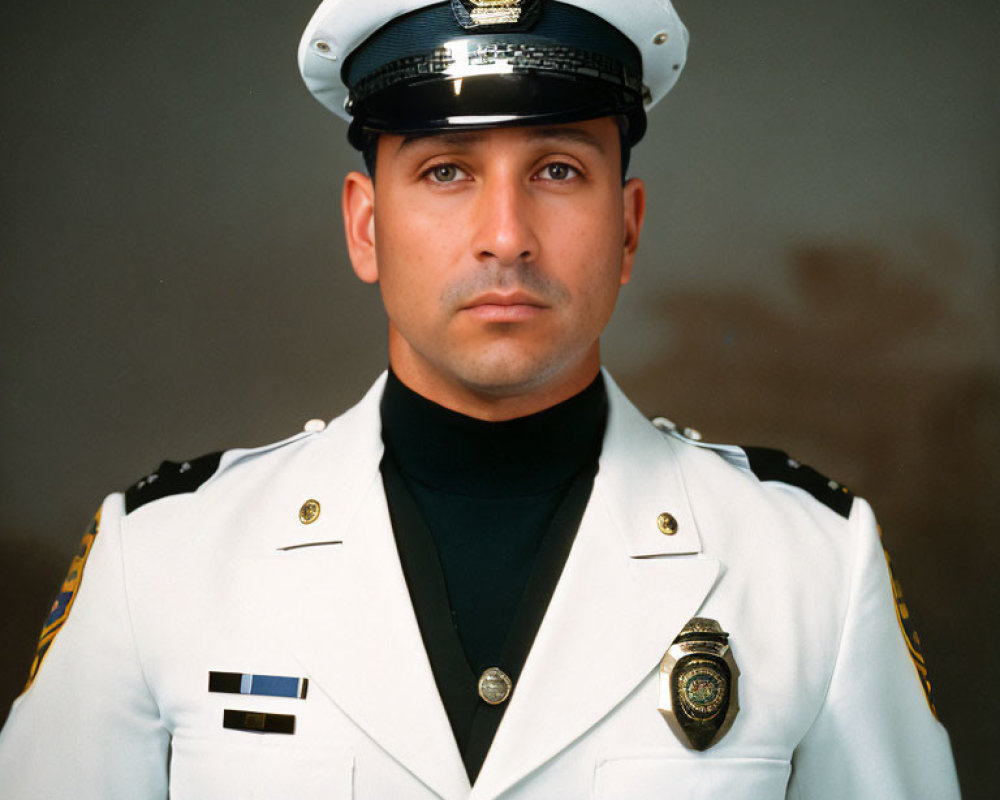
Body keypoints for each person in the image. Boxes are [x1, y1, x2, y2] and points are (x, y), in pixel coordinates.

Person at [0, 0, 961, 797]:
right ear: (366, 226)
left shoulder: (809, 571)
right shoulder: (162, 563)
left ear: (627, 231)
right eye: (447, 172)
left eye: (556, 170)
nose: (505, 235)